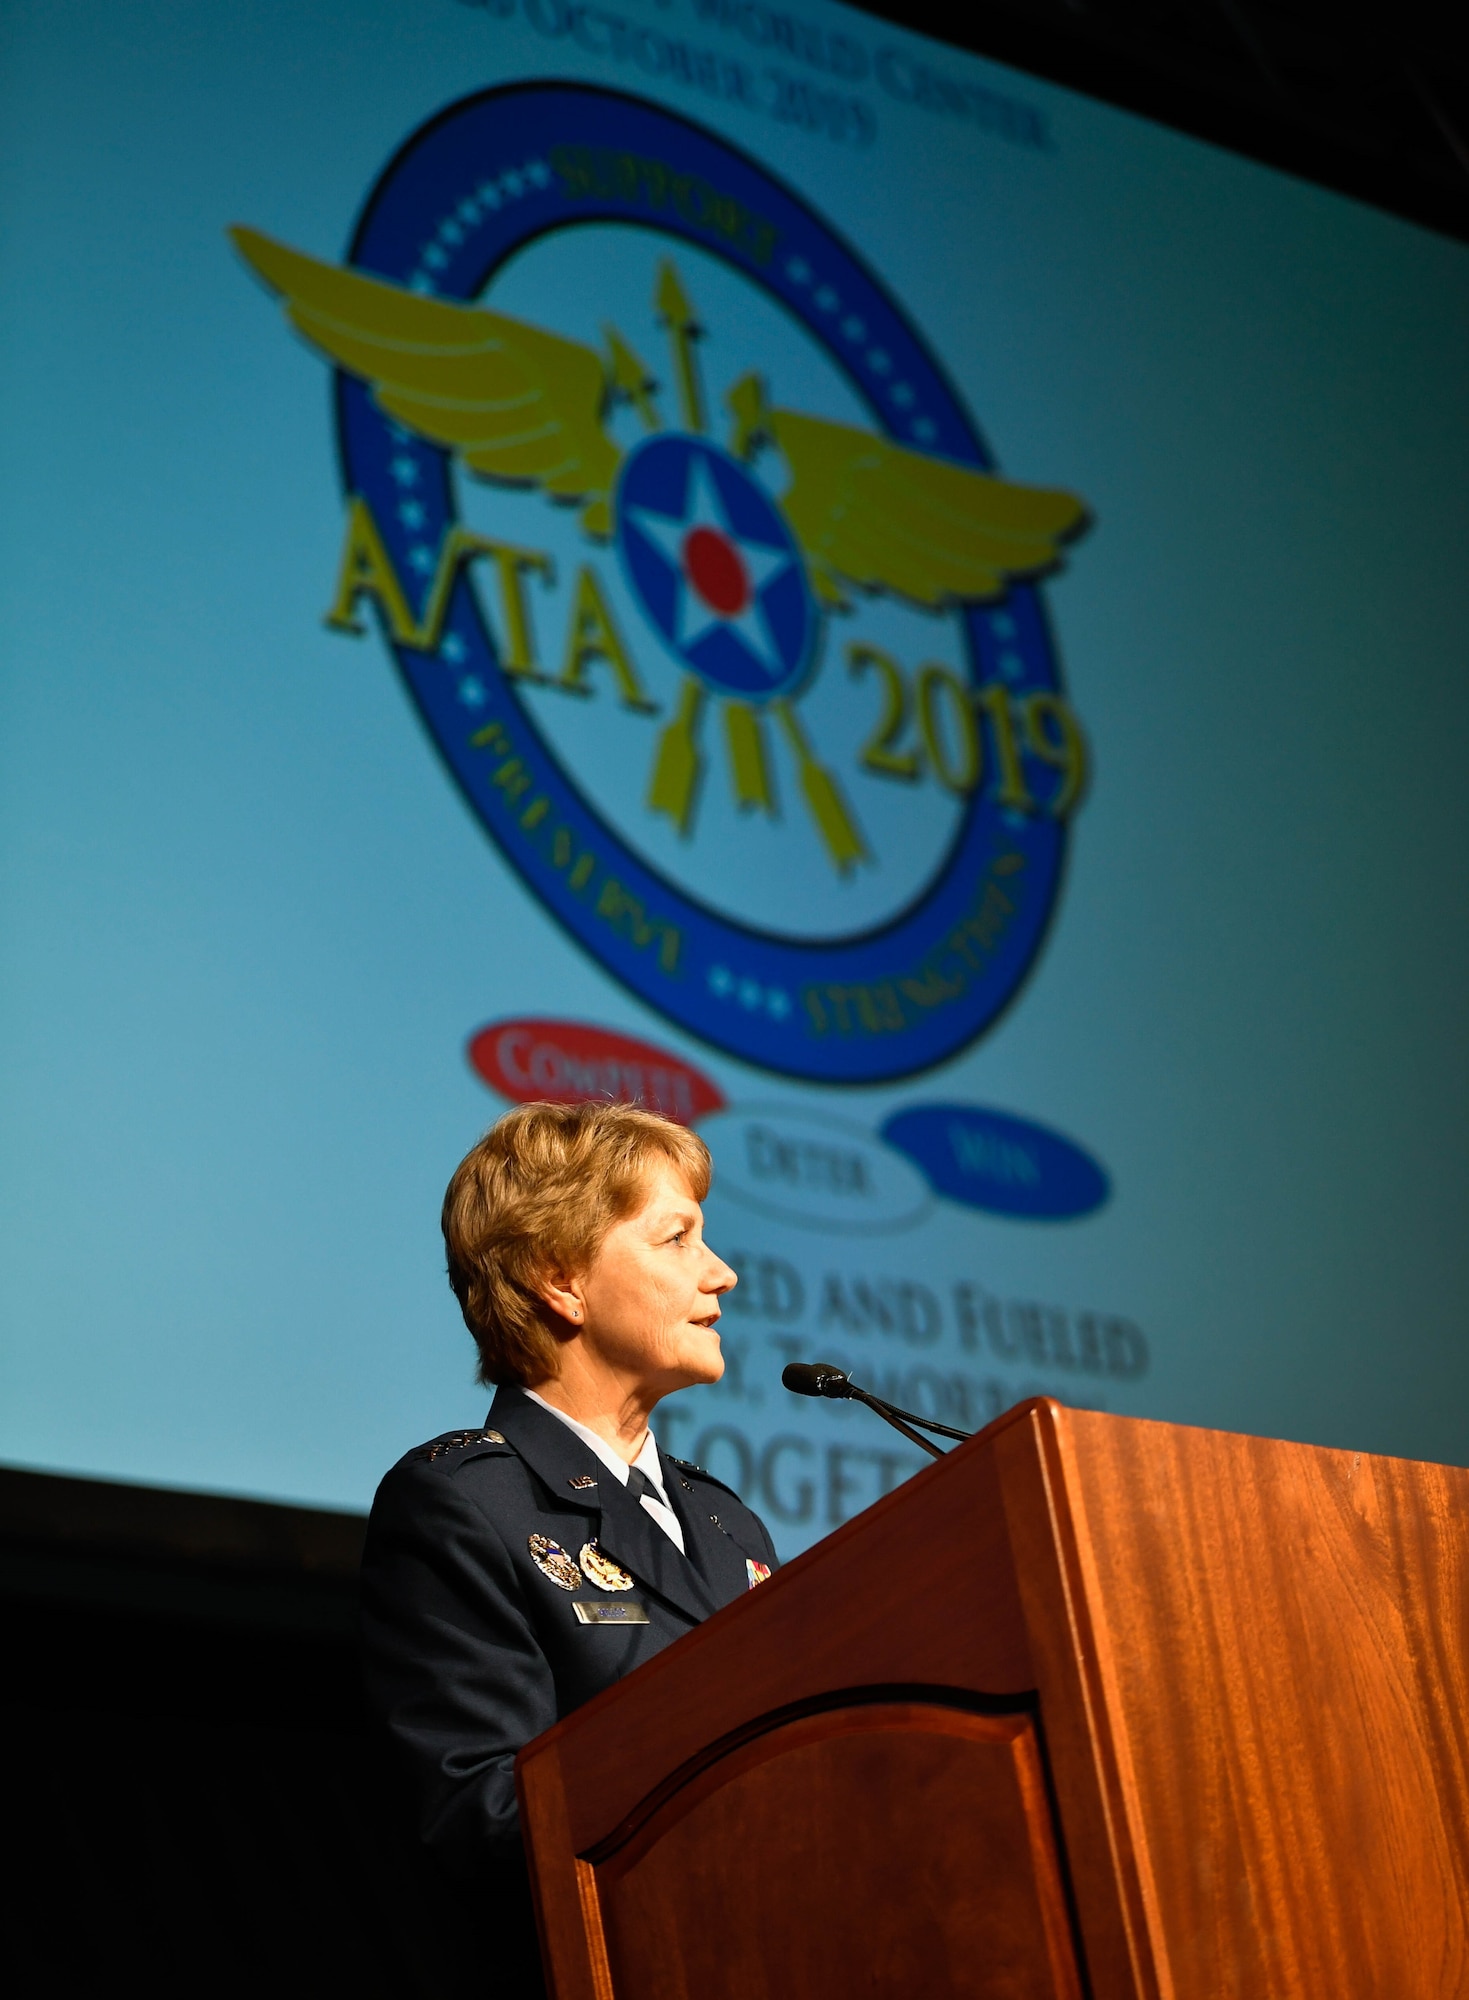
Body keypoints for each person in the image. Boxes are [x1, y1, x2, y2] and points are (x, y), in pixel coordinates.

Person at [359, 1100, 778, 1987]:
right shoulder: (465, 1505)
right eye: (676, 1240)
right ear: (562, 1281)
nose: (722, 1274)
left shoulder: (725, 1522)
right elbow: (482, 1816)